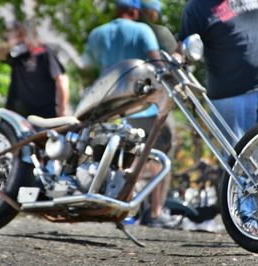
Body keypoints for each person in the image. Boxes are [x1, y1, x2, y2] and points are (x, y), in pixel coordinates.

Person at [178, 0, 258, 234]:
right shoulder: (196, 7)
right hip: (228, 95)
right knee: (238, 161)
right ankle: (248, 226)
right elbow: (183, 46)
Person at [82, 0, 177, 228]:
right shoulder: (142, 30)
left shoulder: (97, 34)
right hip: (146, 106)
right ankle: (155, 213)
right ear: (135, 10)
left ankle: (124, 210)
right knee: (158, 158)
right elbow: (158, 63)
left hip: (113, 108)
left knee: (124, 159)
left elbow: (86, 68)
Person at [0, 21, 70, 118]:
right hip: (17, 117)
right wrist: (10, 43)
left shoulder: (44, 53)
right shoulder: (17, 57)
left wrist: (62, 110)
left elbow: (62, 80)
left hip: (44, 117)